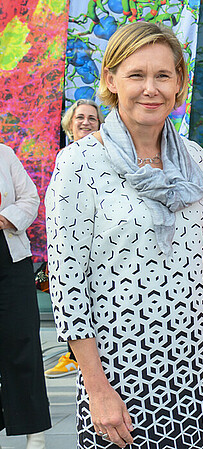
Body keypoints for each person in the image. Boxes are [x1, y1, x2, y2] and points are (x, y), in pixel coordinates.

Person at [46, 22, 203, 448]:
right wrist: (96, 388)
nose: (150, 88)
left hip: (202, 379)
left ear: (179, 84)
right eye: (136, 75)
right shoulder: (79, 164)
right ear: (111, 81)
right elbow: (68, 287)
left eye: (162, 76)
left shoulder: (198, 161)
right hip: (122, 378)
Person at [45, 98, 104, 379]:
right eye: (80, 117)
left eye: (92, 118)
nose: (86, 122)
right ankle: (73, 354)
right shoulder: (66, 158)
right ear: (70, 124)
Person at [0, 143, 50, 448]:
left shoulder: (4, 154)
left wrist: (4, 219)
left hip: (10, 258)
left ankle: (35, 432)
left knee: (22, 341)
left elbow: (30, 198)